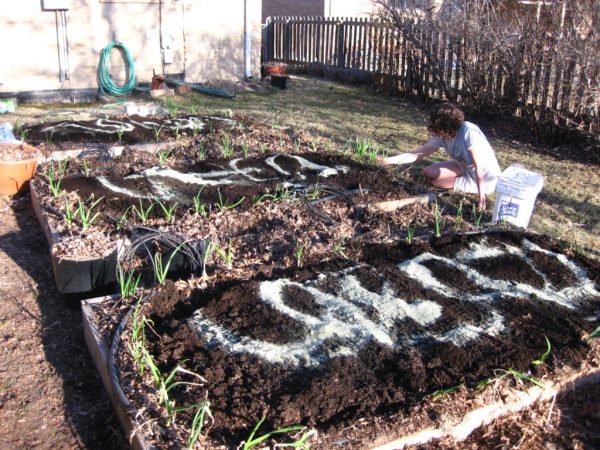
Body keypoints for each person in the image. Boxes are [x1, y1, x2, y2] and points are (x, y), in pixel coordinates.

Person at [382, 103, 501, 210]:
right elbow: (417, 154)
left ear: (444, 124)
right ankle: (459, 176)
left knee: (435, 182)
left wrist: (482, 197)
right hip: (463, 166)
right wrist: (387, 160)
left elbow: (478, 166)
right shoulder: (443, 136)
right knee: (428, 172)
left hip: (483, 178)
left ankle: (467, 184)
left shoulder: (468, 131)